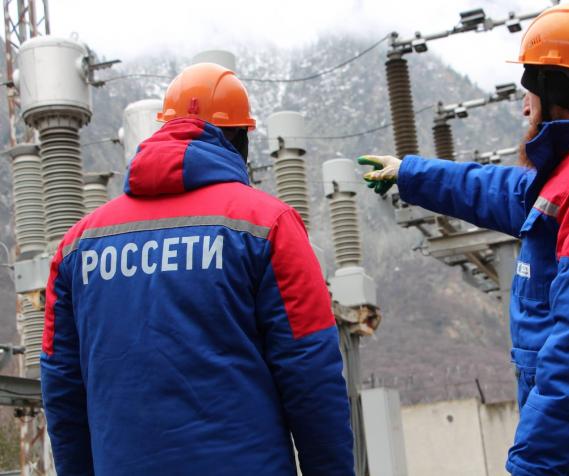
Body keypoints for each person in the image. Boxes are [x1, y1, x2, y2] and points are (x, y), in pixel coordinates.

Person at [359, 3, 569, 475]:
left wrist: (531, 465)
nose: (523, 105)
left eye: (529, 88)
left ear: (554, 87)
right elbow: (508, 192)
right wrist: (411, 173)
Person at [41, 62, 354, 476]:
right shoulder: (268, 225)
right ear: (239, 137)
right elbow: (310, 371)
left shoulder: (76, 246)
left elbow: (62, 386)